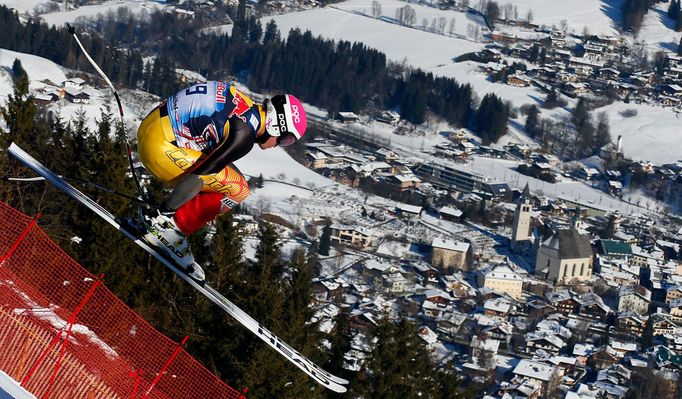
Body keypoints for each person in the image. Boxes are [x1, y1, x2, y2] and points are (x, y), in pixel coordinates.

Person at [132, 81, 307, 280]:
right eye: (285, 140)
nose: (280, 145)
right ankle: (168, 229)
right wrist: (164, 212)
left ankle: (164, 223)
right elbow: (201, 175)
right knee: (238, 190)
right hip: (158, 150)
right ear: (276, 126)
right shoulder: (244, 135)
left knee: (218, 169)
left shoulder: (245, 104)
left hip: (150, 129)